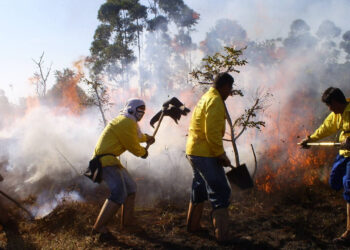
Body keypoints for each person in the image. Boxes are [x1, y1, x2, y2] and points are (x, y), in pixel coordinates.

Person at [91, 98, 155, 236]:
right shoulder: (126, 122)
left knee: (131, 188)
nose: (141, 113)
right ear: (131, 108)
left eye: (143, 111)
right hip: (105, 162)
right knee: (119, 192)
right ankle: (98, 228)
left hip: (111, 160)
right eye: (140, 110)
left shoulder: (127, 122)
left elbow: (136, 136)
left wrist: (147, 138)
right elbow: (132, 145)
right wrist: (143, 152)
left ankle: (127, 224)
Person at [185, 72, 233, 242]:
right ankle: (223, 237)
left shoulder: (206, 96)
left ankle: (193, 226)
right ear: (225, 87)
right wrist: (220, 154)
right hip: (204, 153)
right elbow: (211, 132)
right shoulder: (215, 101)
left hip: (194, 151)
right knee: (220, 190)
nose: (230, 93)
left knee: (199, 187)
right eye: (230, 89)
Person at [300, 87, 350, 244]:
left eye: (330, 105)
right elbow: (325, 128)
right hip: (345, 154)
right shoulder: (336, 114)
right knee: (335, 182)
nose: (329, 109)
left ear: (335, 102)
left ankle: (349, 232)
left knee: (348, 186)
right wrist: (309, 139)